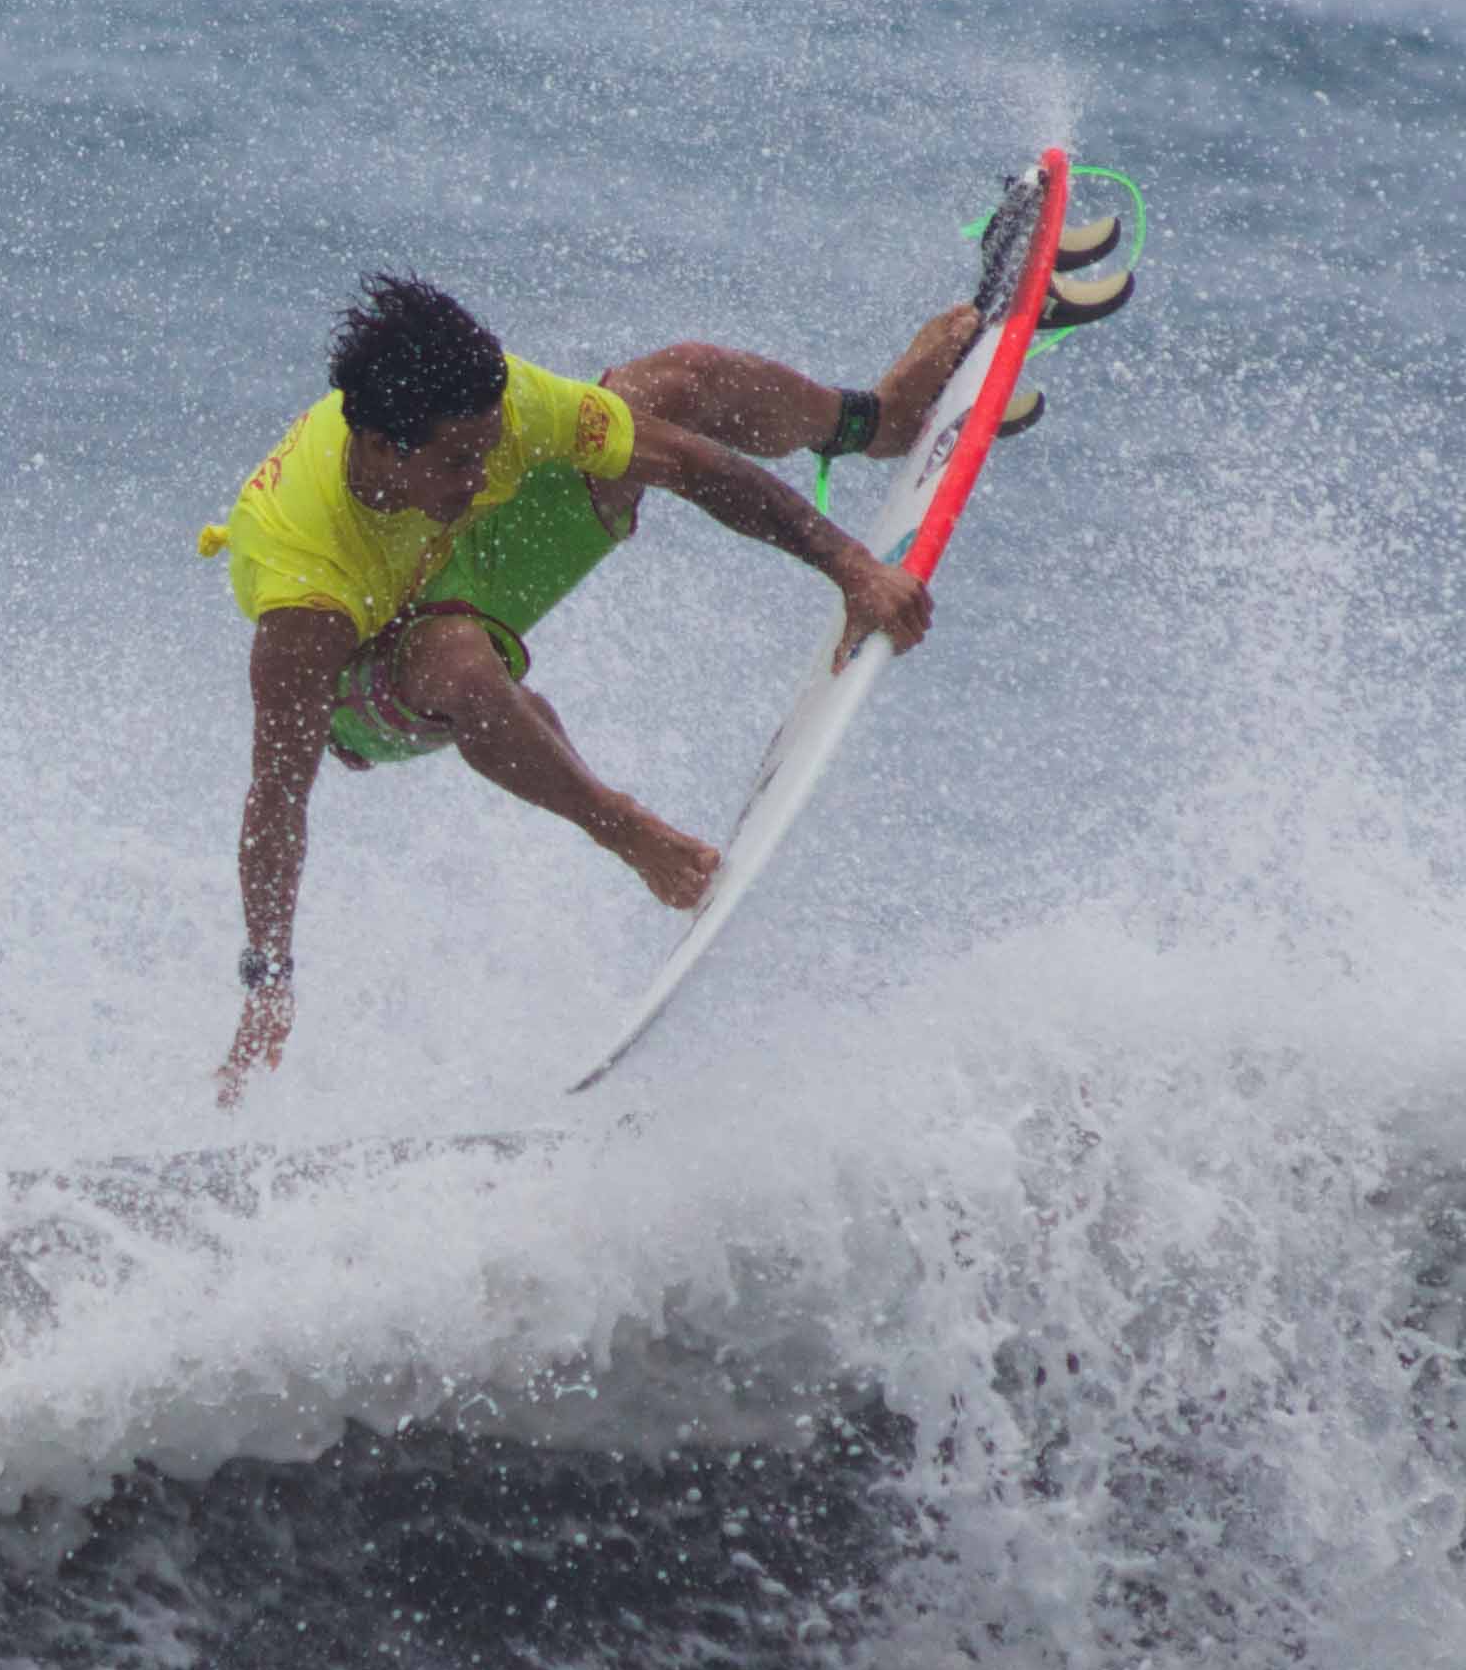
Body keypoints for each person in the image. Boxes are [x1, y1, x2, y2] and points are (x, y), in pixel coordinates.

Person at [198, 272, 983, 1097]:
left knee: (674, 386)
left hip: (442, 552)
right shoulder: (303, 595)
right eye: (460, 458)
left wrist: (850, 565)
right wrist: (268, 979)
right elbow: (278, 791)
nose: (484, 470)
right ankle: (627, 829)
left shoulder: (499, 413)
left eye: (488, 444)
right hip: (365, 662)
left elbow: (682, 461)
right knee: (459, 661)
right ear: (387, 448)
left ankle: (876, 420)